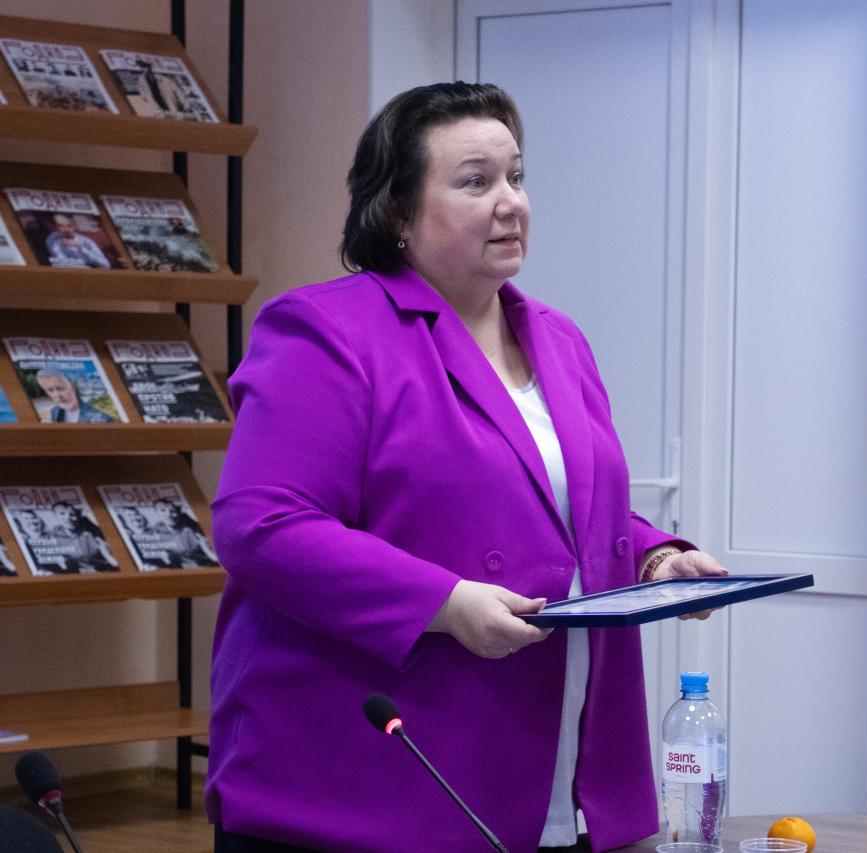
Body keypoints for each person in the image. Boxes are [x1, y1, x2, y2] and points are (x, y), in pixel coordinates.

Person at [207, 82, 726, 853]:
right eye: (476, 182)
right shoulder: (325, 330)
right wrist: (443, 602)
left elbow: (559, 503)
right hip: (371, 786)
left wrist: (654, 555)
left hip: (563, 775)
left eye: (516, 176)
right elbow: (261, 525)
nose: (510, 202)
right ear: (398, 213)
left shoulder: (559, 338)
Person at [35, 369, 115, 423]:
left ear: (74, 386)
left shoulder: (103, 420)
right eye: (50, 390)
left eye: (60, 388)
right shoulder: (55, 411)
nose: (57, 395)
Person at [43, 213, 111, 268]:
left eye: (69, 226)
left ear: (74, 227)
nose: (66, 230)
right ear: (54, 228)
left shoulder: (86, 241)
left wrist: (80, 248)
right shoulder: (53, 238)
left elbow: (105, 264)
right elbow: (61, 262)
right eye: (60, 226)